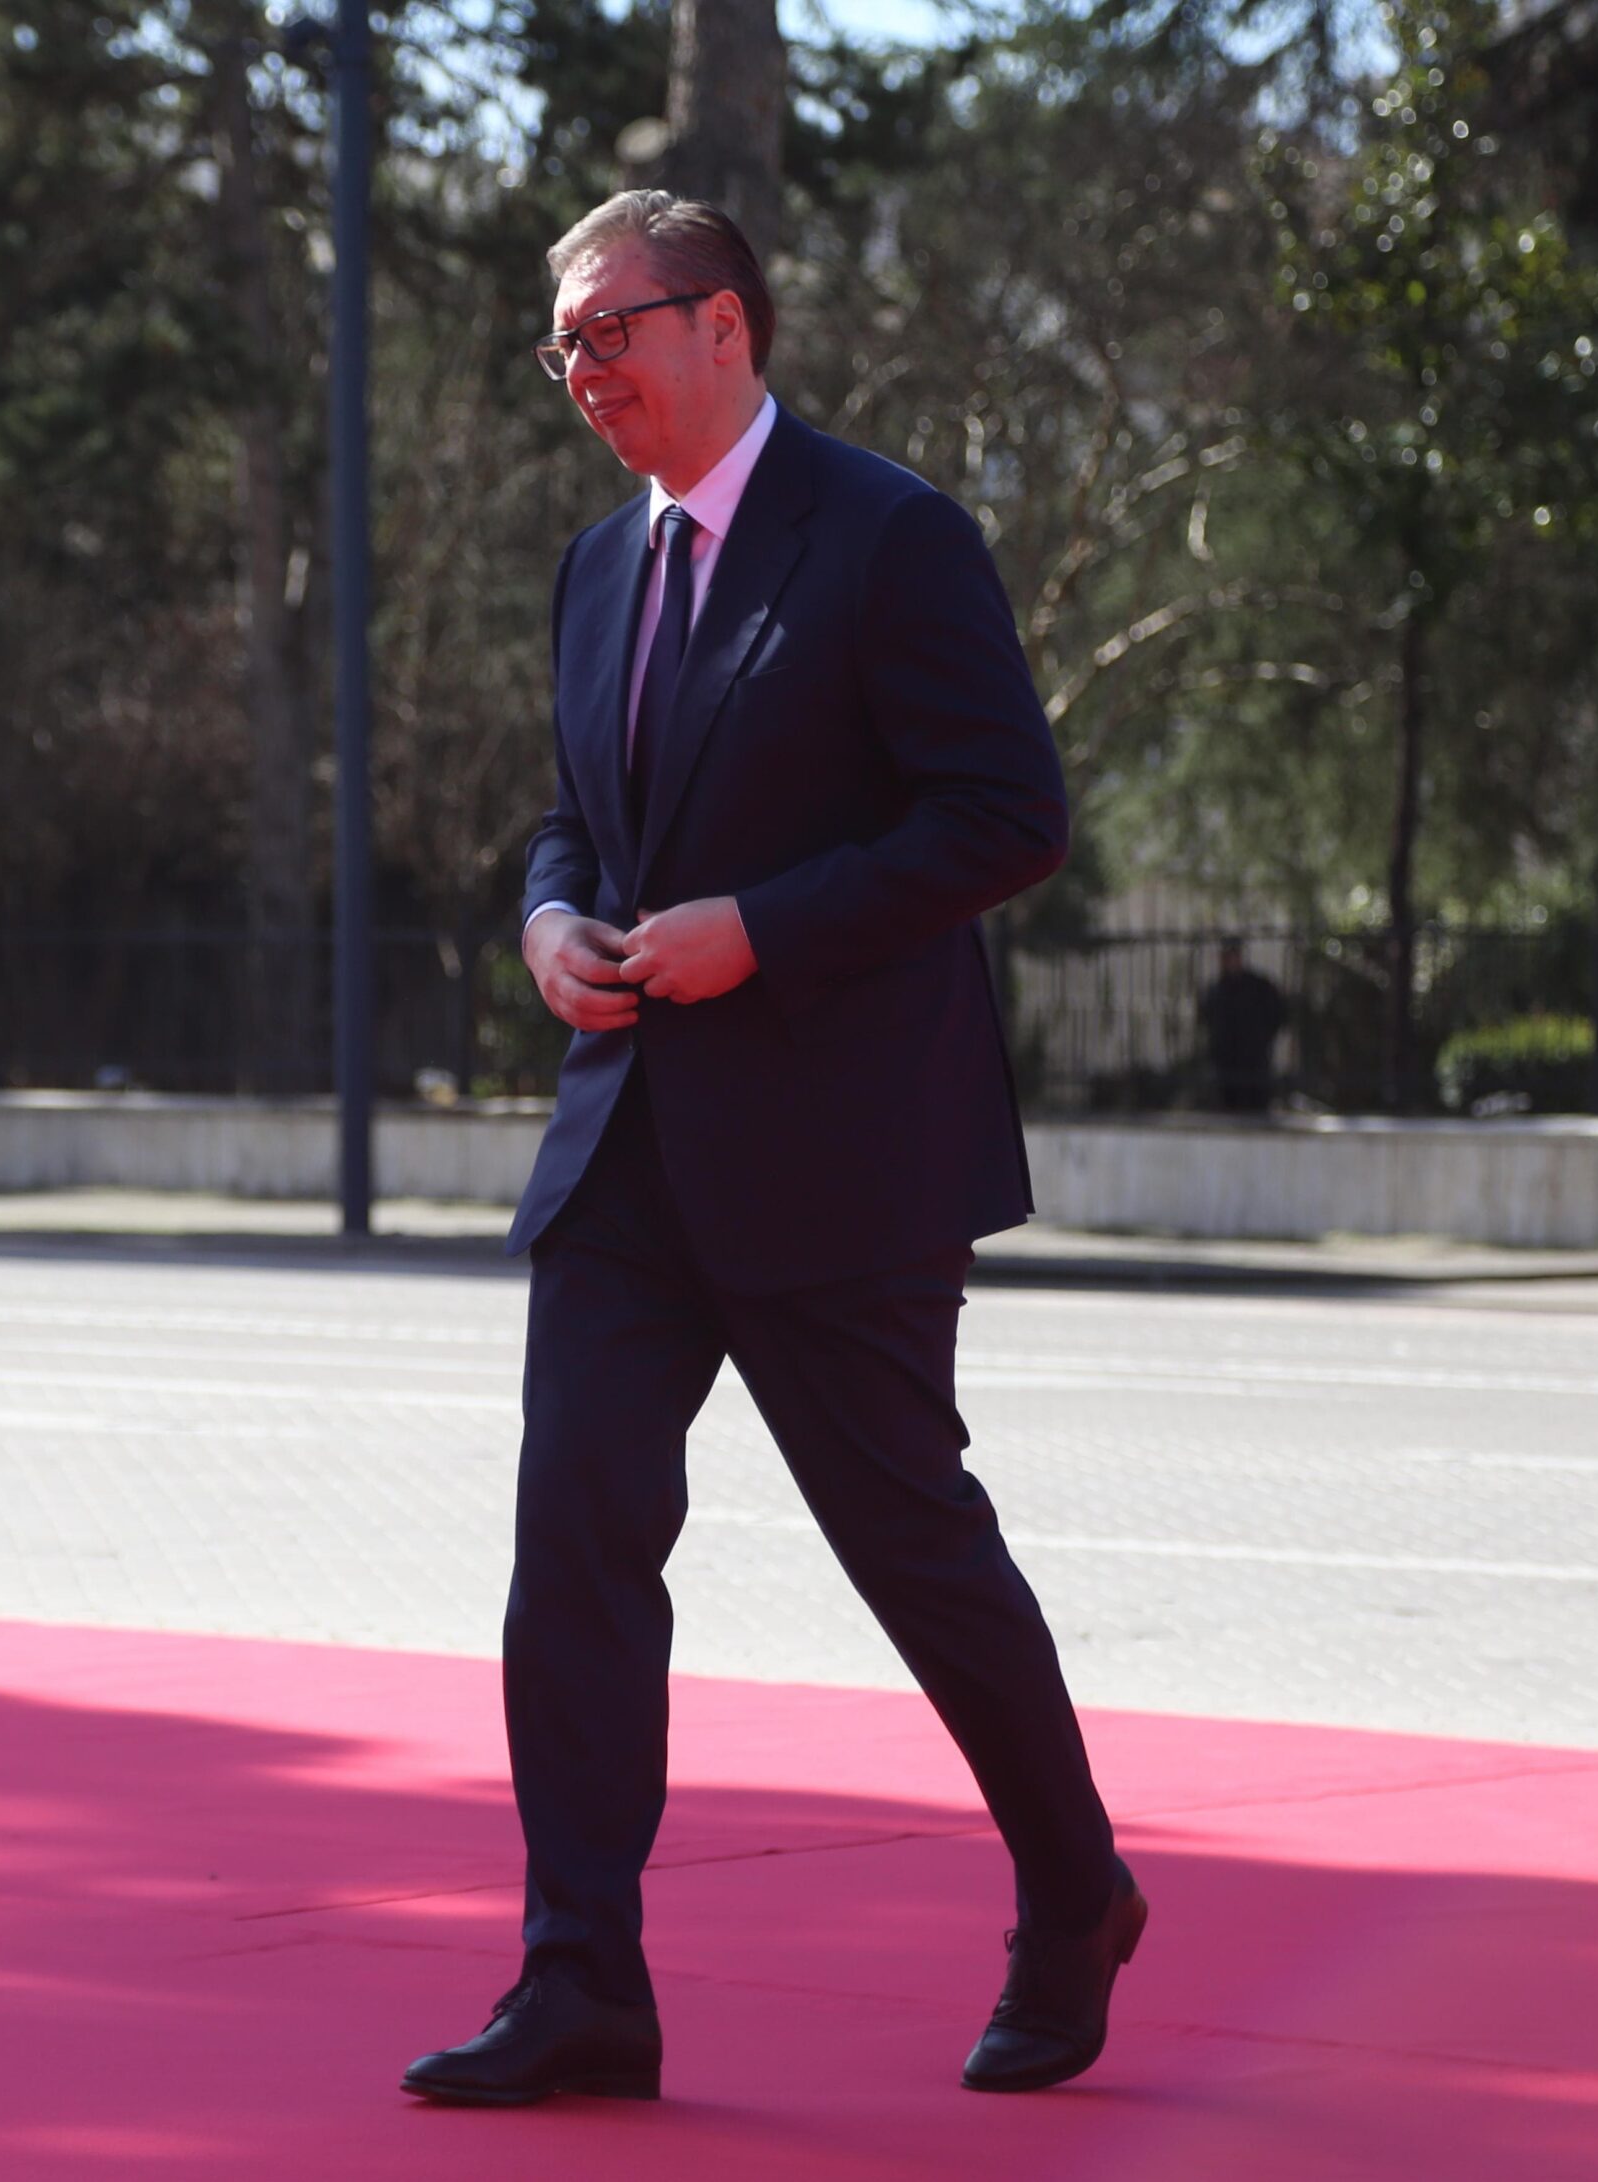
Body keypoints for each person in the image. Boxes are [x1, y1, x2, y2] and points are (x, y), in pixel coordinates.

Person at [399, 192, 1144, 2111]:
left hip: (842, 1150)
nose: (582, 373)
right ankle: (581, 1980)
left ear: (722, 323)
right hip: (628, 1146)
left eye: (608, 332)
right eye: (560, 346)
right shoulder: (597, 567)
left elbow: (1007, 814)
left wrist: (767, 929)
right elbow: (581, 820)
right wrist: (549, 921)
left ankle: (1076, 1889)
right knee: (575, 1542)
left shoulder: (890, 537)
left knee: (912, 1546)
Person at [1198, 937, 1287, 1113]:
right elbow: (1207, 1019)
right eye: (1226, 957)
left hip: (1254, 1060)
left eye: (1233, 956)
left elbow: (1277, 1014)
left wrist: (1262, 1038)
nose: (1230, 961)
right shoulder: (1216, 989)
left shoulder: (1260, 986)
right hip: (1226, 1062)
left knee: (1256, 1106)